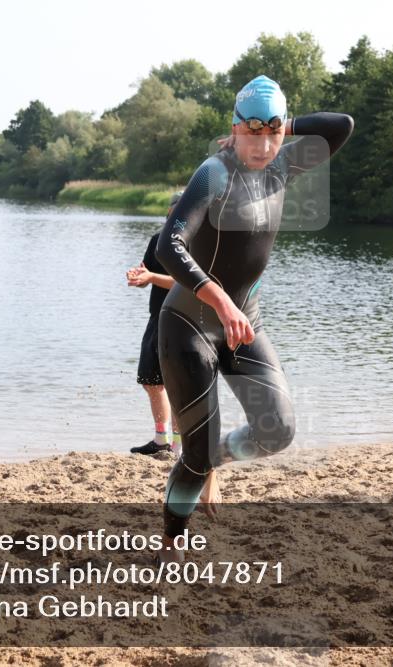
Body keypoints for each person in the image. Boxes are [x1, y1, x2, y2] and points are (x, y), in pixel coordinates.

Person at [153, 75, 353, 557]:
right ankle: (173, 536)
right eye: (251, 133)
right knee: (195, 456)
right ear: (233, 128)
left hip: (247, 325)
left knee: (277, 431)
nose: (263, 146)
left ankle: (203, 457)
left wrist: (278, 123)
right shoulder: (214, 172)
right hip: (189, 325)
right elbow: (168, 245)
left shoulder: (283, 165)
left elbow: (340, 125)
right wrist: (219, 299)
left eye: (274, 133)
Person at [126, 191, 185, 456]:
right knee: (150, 380)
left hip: (183, 319)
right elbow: (148, 273)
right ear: (169, 212)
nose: (178, 217)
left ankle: (178, 444)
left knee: (176, 383)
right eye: (174, 212)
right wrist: (139, 276)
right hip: (157, 317)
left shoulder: (195, 243)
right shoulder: (157, 241)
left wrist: (151, 277)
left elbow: (189, 284)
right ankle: (161, 441)